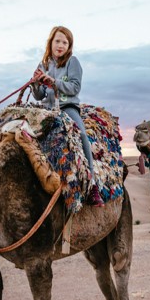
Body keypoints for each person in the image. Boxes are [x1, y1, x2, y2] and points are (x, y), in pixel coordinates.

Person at [31, 26, 103, 206]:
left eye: (65, 42)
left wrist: (54, 82)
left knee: (82, 135)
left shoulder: (73, 62)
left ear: (69, 45)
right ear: (51, 43)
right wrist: (35, 84)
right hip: (46, 110)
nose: (61, 45)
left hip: (66, 107)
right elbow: (39, 96)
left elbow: (75, 87)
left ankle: (92, 184)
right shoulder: (43, 64)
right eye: (57, 41)